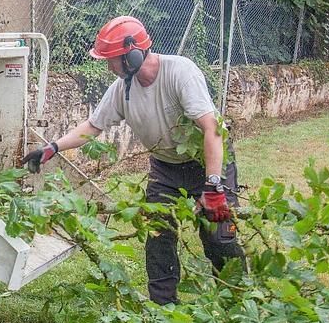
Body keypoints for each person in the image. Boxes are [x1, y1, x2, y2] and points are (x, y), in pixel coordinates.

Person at [24, 16, 244, 304]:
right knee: (158, 236)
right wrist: (52, 148)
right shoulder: (122, 89)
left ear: (132, 54)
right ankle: (164, 309)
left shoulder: (180, 72)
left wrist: (214, 186)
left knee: (218, 235)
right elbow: (92, 127)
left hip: (209, 161)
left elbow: (212, 129)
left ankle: (237, 304)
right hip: (166, 168)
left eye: (111, 59)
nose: (108, 66)